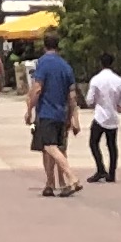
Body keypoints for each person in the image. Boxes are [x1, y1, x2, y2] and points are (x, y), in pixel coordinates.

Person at [29, 36, 78, 196]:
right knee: (57, 148)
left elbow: (37, 89)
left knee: (49, 147)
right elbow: (72, 96)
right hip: (62, 113)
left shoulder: (42, 63)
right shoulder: (66, 66)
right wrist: (73, 117)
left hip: (47, 112)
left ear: (44, 46)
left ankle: (71, 178)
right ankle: (51, 183)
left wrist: (29, 109)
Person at [85, 53, 121, 182]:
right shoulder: (119, 80)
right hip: (113, 117)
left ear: (100, 64)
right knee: (112, 145)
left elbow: (89, 100)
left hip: (100, 116)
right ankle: (112, 173)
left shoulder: (96, 80)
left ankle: (100, 169)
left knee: (93, 143)